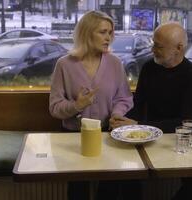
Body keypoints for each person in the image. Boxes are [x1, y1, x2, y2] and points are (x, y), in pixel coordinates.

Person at [110, 22, 192, 200]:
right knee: (124, 175)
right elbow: (137, 104)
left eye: (158, 46)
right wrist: (121, 122)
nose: (152, 49)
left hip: (179, 138)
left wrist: (139, 125)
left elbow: (187, 122)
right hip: (148, 136)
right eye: (153, 43)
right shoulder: (149, 67)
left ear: (179, 48)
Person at [49, 10, 133, 200]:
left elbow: (124, 98)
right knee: (78, 191)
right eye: (102, 32)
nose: (109, 38)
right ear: (86, 34)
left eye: (110, 33)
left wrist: (117, 114)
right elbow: (54, 107)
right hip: (74, 137)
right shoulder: (64, 65)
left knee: (109, 191)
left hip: (107, 135)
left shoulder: (115, 63)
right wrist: (76, 105)